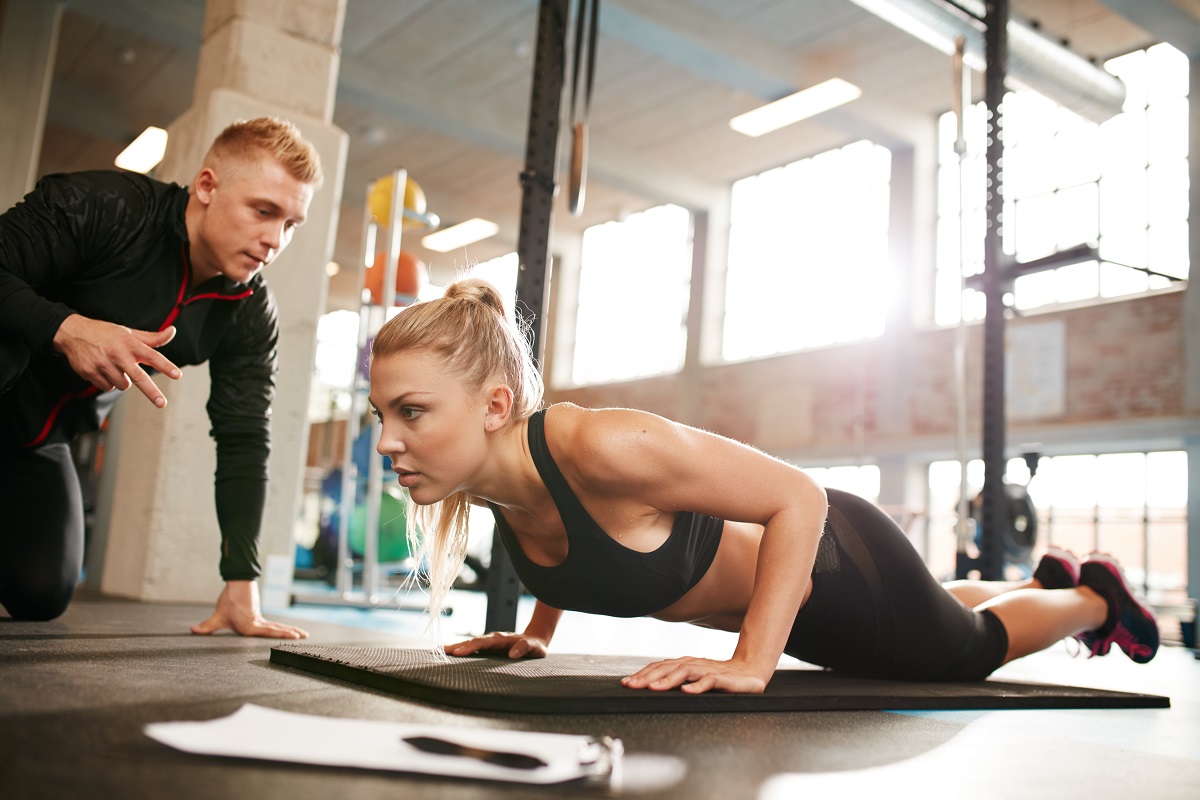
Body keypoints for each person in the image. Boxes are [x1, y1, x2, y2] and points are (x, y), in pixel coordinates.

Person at [366, 278, 1160, 694]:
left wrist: (753, 662)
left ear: (495, 406)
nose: (385, 440)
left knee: (964, 653)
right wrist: (539, 634)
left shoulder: (603, 443)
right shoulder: (492, 481)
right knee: (939, 608)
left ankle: (1092, 596)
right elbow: (576, 542)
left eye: (410, 412)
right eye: (380, 413)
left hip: (834, 569)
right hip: (797, 608)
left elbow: (799, 499)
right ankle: (1035, 581)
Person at [0, 117, 319, 640]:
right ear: (208, 186)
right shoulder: (109, 207)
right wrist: (65, 327)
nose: (274, 239)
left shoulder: (248, 310)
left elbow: (243, 436)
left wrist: (241, 579)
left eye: (290, 224)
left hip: (38, 440)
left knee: (42, 593)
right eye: (263, 211)